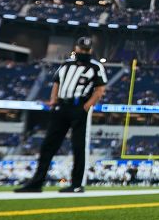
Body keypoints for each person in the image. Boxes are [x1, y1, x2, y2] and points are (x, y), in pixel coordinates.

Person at [15, 37, 107, 193]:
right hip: (62, 106)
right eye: (81, 49)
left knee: (78, 146)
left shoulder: (95, 66)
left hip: (79, 107)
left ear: (90, 50)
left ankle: (76, 184)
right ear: (76, 48)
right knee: (48, 145)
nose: (83, 52)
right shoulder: (66, 65)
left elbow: (100, 90)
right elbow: (57, 82)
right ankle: (37, 182)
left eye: (86, 50)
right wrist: (53, 100)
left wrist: (86, 107)